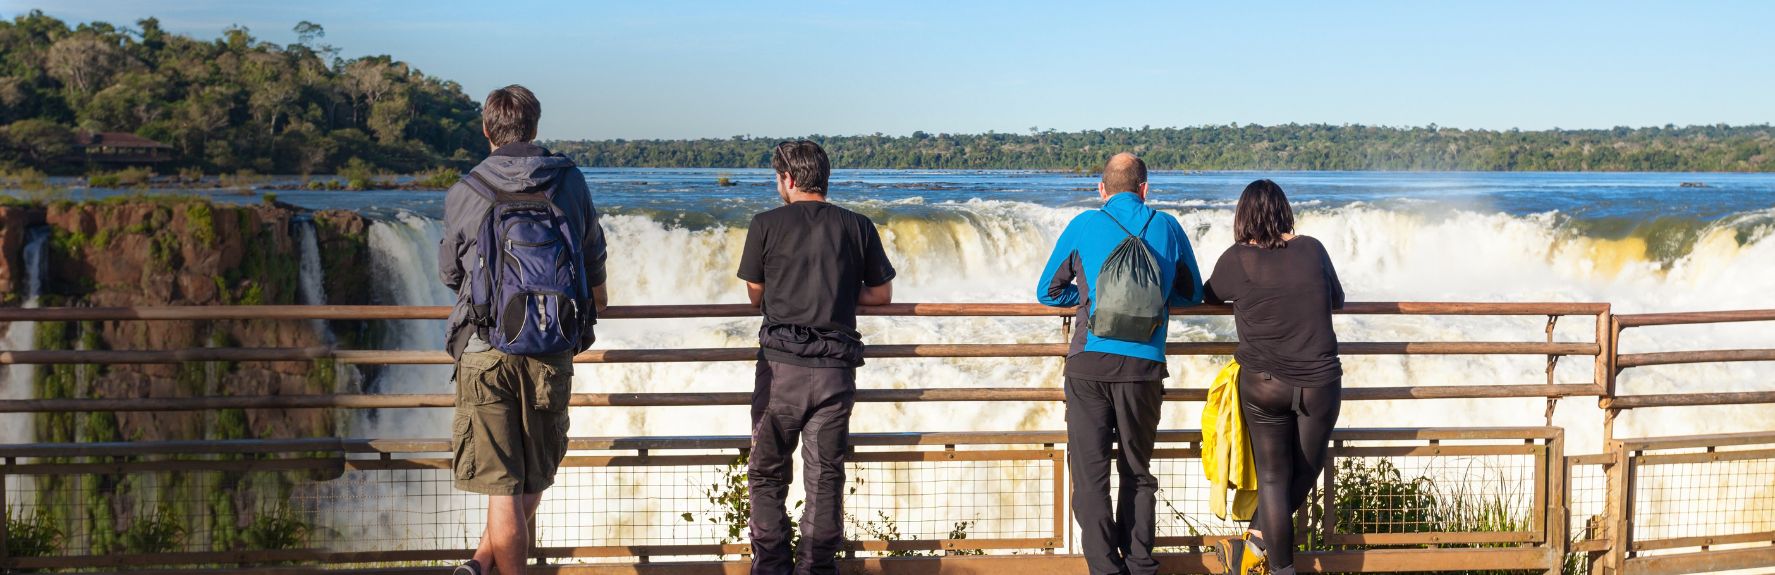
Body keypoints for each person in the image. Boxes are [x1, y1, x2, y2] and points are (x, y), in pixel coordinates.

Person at [439, 84, 610, 575]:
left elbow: (451, 273)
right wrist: (598, 299)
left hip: (486, 346)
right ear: (535, 127)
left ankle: (479, 565)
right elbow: (592, 250)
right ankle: (479, 564)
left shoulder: (465, 189)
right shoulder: (569, 182)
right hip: (551, 341)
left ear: (487, 130)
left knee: (501, 486)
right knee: (535, 473)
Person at [1036, 153, 1204, 575]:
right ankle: (1141, 563)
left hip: (1088, 366)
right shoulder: (1166, 225)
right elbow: (1193, 293)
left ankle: (1104, 567)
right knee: (1137, 470)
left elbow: (1047, 292)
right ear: (1145, 189)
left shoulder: (1083, 225)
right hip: (1143, 367)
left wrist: (1088, 303)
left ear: (1102, 189)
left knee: (1090, 473)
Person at [738, 140, 896, 575]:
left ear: (788, 179)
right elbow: (882, 293)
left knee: (768, 475)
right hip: (835, 372)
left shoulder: (765, 224)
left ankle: (771, 567)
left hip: (780, 372)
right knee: (825, 478)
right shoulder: (858, 225)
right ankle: (816, 568)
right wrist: (844, 294)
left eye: (777, 178)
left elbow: (755, 295)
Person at [1204, 179, 1344, 575]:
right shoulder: (1312, 249)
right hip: (1319, 382)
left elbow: (1210, 295)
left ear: (1242, 217)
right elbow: (1338, 298)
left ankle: (1269, 560)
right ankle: (1256, 548)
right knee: (1302, 473)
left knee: (1273, 479)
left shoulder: (1237, 258)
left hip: (1263, 384)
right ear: (1285, 212)